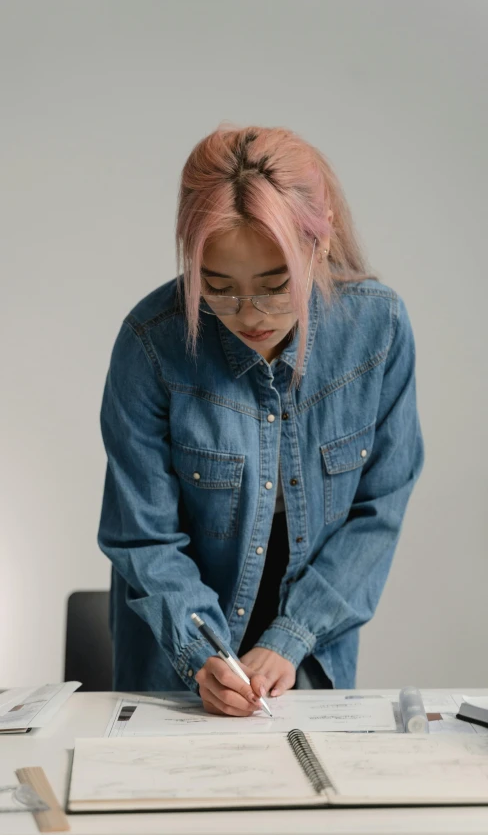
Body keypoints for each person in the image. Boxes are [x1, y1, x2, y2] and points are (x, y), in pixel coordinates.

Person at [97, 124, 424, 717]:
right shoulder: (151, 343)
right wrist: (203, 651)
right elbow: (141, 534)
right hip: (175, 660)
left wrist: (293, 636)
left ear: (319, 244)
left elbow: (379, 510)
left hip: (310, 653)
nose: (249, 315)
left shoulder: (379, 333)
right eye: (217, 288)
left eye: (276, 286)